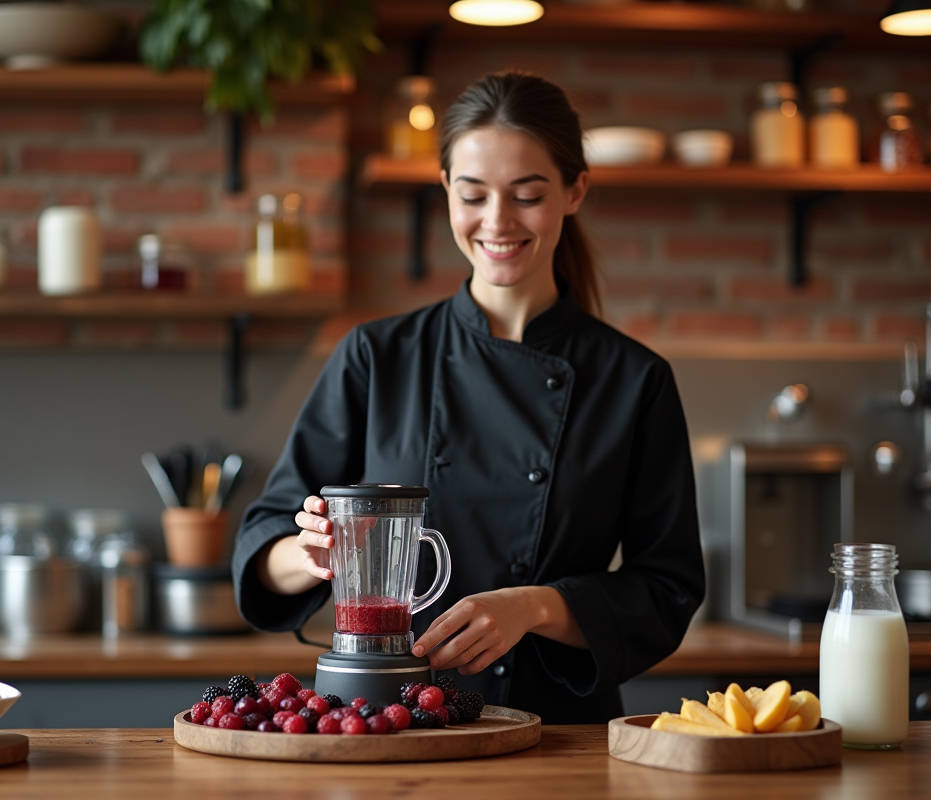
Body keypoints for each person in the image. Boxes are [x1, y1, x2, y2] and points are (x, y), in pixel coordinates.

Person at [231, 71, 704, 724]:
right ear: (446, 192)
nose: (498, 222)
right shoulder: (377, 356)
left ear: (575, 191)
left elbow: (667, 588)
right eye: (473, 194)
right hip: (387, 720)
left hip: (556, 731)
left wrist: (533, 606)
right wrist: (305, 555)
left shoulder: (633, 378)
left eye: (528, 195)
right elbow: (264, 543)